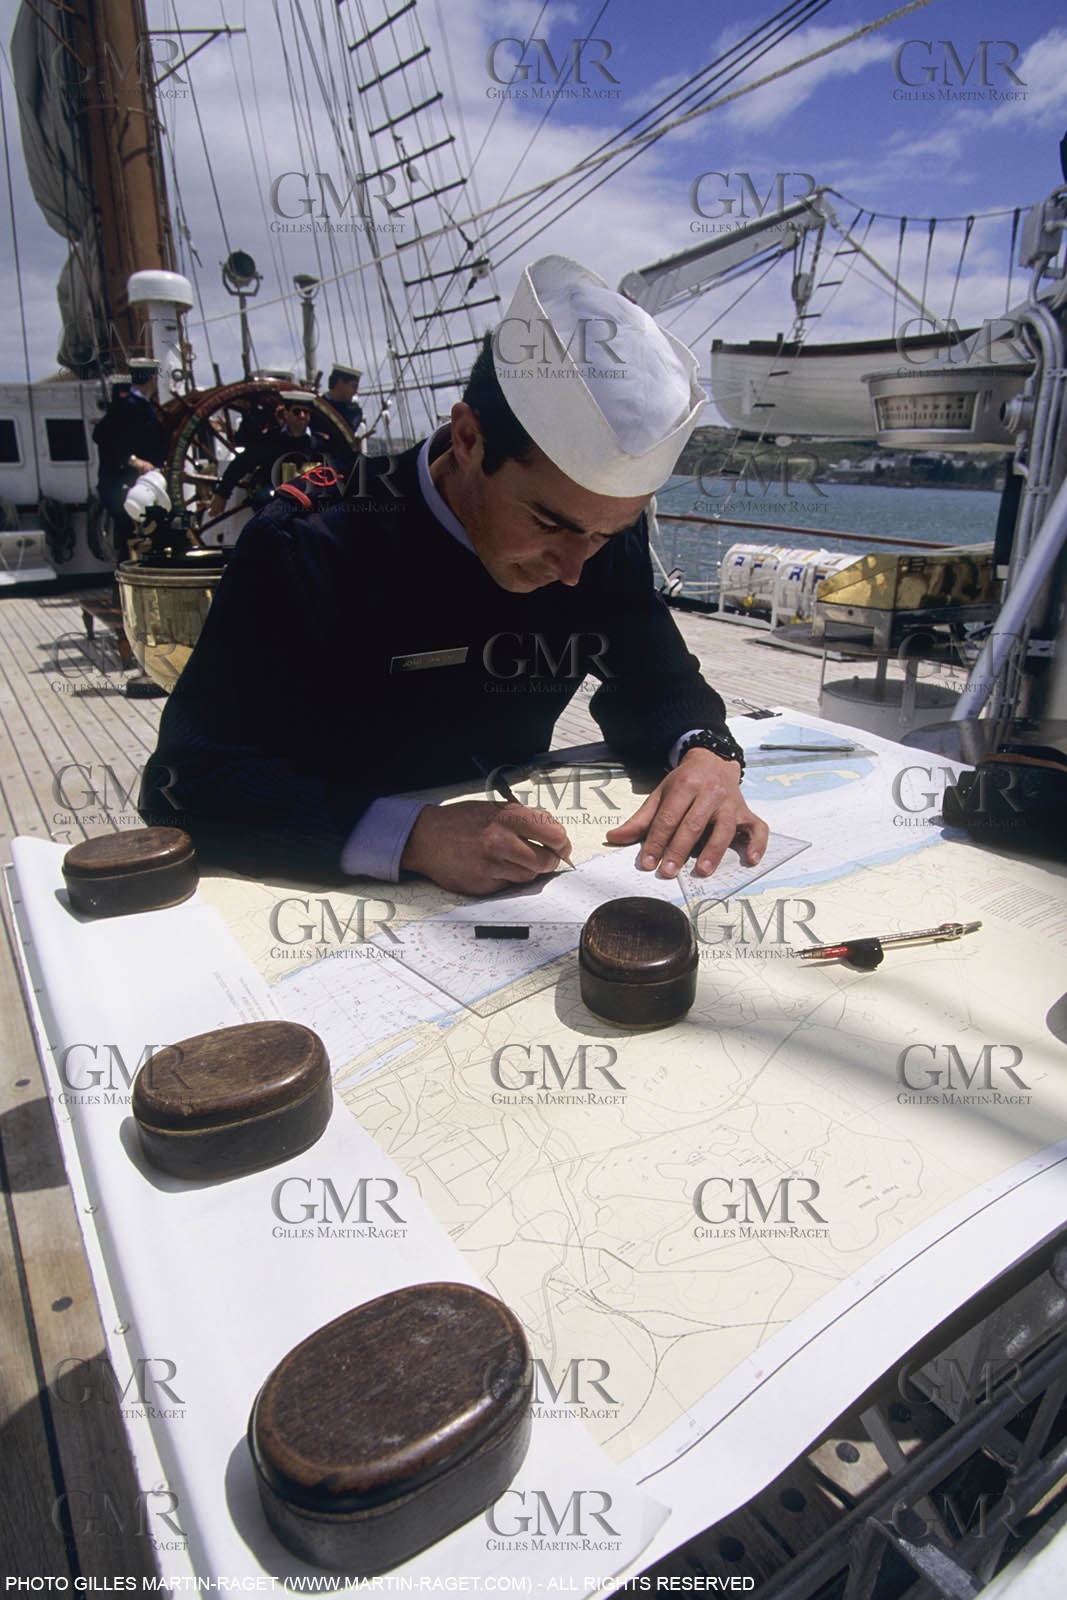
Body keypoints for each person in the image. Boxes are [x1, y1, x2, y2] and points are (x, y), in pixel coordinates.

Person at [141, 255, 767, 892]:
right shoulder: (311, 544)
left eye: (605, 533)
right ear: (467, 438)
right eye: (550, 523)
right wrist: (414, 835)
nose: (576, 569)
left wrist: (707, 753)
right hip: (333, 878)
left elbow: (655, 681)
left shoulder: (599, 539)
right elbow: (188, 781)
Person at [205, 391, 329, 522]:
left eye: (306, 412)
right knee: (264, 500)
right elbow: (242, 463)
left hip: (307, 495)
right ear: (286, 414)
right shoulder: (270, 440)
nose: (302, 416)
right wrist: (222, 494)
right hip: (275, 494)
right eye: (297, 411)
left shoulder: (320, 445)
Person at [93, 359, 167, 563]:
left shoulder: (139, 405)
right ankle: (126, 589)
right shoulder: (128, 405)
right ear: (152, 380)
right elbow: (101, 435)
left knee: (136, 541)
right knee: (128, 542)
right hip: (122, 484)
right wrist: (133, 460)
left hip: (138, 485)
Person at [321, 363, 363, 437]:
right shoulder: (315, 405)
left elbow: (346, 432)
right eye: (354, 386)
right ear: (340, 382)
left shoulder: (354, 411)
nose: (356, 391)